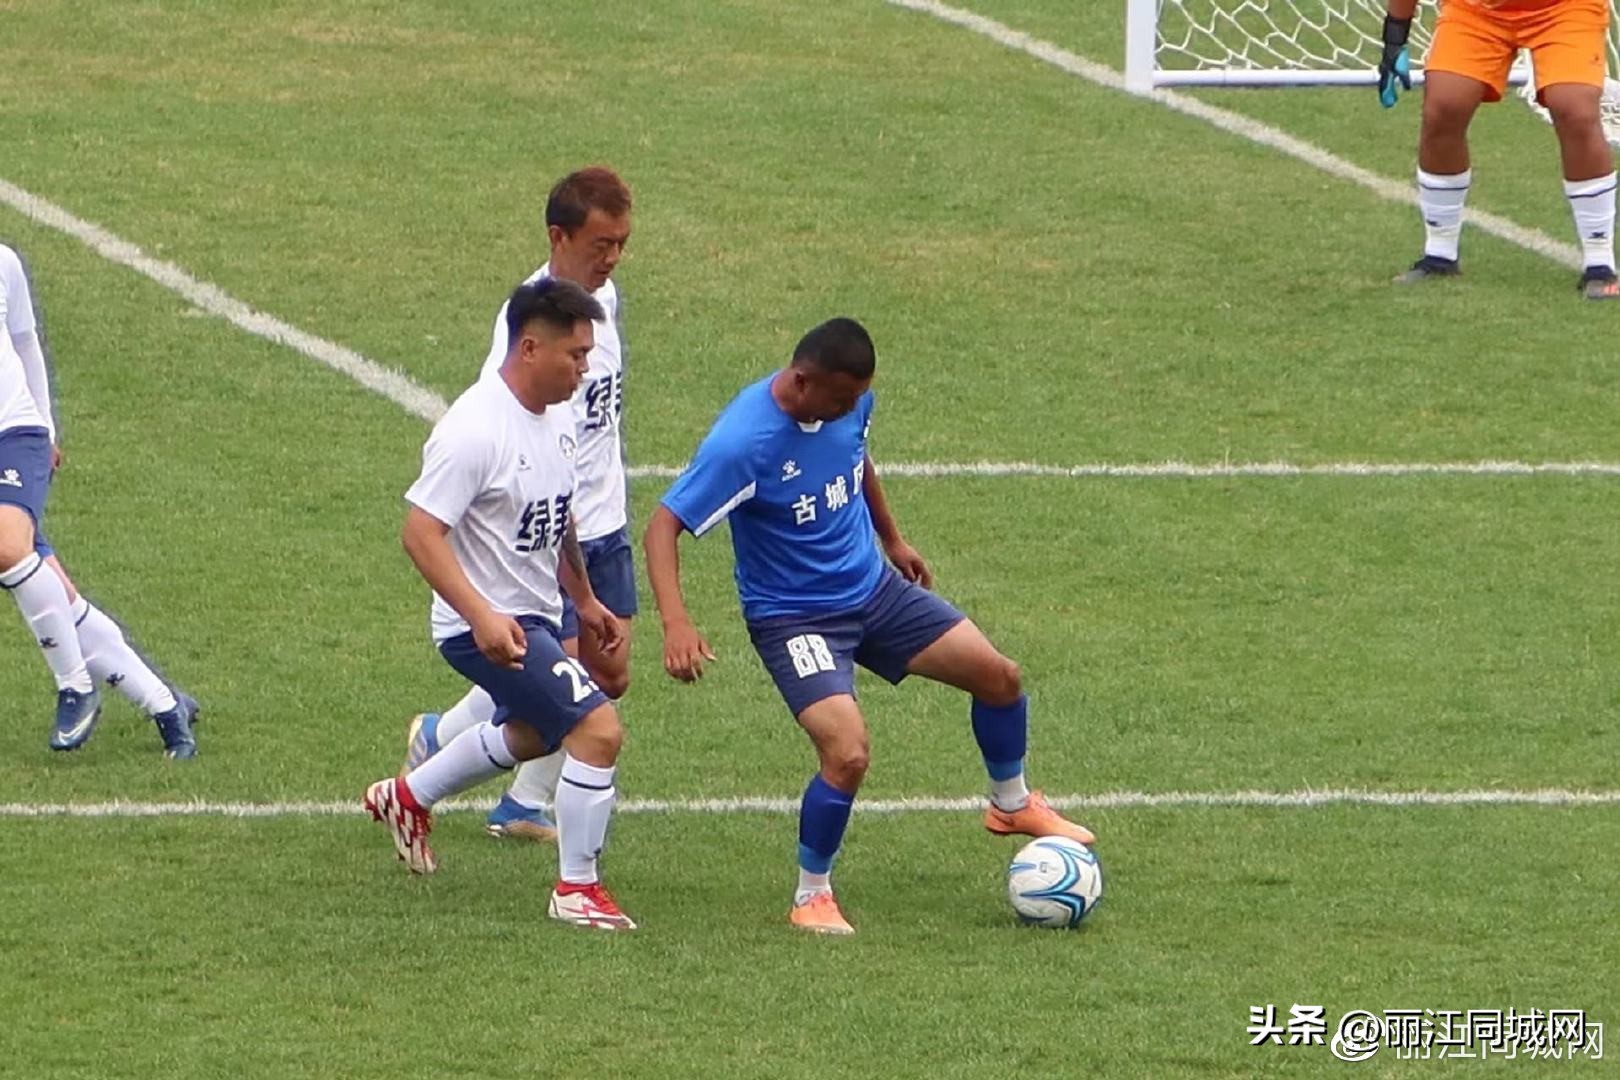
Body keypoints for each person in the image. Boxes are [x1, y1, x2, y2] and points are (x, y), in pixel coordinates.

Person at [643, 317, 1095, 936]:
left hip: (875, 590)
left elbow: (855, 461)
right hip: (795, 619)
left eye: (859, 397)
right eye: (843, 398)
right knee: (847, 752)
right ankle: (811, 895)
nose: (853, 407)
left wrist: (893, 538)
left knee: (999, 677)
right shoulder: (742, 445)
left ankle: (1011, 805)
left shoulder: (847, 404)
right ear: (804, 381)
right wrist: (676, 622)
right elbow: (663, 524)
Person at [366, 277, 635, 931]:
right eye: (576, 355)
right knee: (598, 730)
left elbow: (560, 516)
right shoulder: (474, 431)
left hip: (535, 610)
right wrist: (481, 615)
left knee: (537, 731)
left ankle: (407, 796)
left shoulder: (561, 417)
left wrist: (585, 599)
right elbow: (420, 533)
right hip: (478, 625)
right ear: (530, 348)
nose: (585, 369)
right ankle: (577, 889)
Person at [404, 167, 636, 842]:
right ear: (559, 237)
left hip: (601, 516)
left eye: (622, 243)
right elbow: (500, 436)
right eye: (601, 244)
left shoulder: (603, 301)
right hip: (545, 529)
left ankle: (447, 741)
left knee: (608, 676)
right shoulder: (525, 338)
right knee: (573, 692)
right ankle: (517, 800)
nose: (613, 257)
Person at [0, 243, 197, 757]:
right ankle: (165, 703)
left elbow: (25, 343)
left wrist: (46, 427)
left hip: (12, 434)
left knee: (7, 547)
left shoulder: (3, 263)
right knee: (57, 595)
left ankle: (76, 686)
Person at [1379, 0, 1620, 297]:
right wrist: (1395, 36)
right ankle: (1439, 254)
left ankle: (1599, 262)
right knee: (1443, 107)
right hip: (1476, 9)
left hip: (1565, 8)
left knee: (1575, 110)